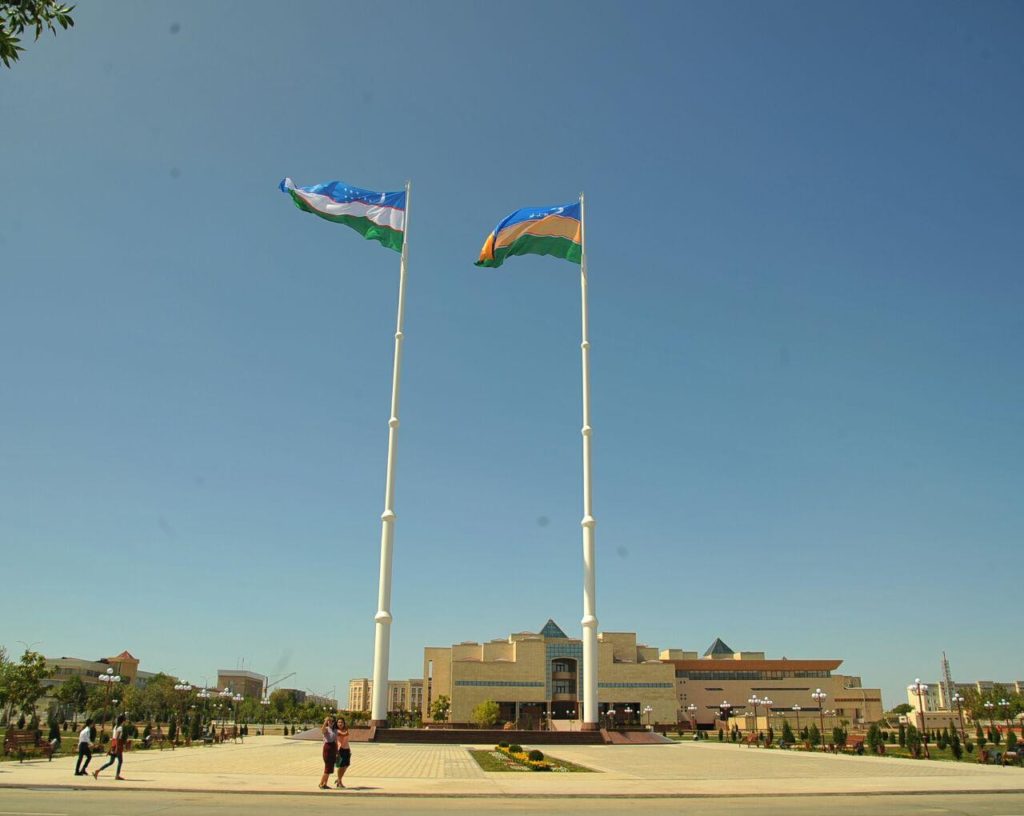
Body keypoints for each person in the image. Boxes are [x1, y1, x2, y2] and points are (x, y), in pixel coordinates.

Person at [93, 714, 126, 780]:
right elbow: (116, 738)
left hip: (114, 744)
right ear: (123, 721)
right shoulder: (120, 728)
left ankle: (98, 771)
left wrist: (111, 747)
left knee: (111, 762)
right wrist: (116, 748)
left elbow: (113, 738)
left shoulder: (115, 727)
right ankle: (117, 775)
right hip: (117, 745)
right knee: (120, 761)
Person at [319, 716, 338, 790]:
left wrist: (337, 751)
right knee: (327, 767)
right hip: (327, 748)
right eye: (329, 721)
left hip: (333, 748)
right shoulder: (326, 729)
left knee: (330, 768)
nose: (330, 722)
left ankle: (325, 784)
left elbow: (336, 740)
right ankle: (321, 783)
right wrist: (325, 721)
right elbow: (322, 730)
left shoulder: (335, 730)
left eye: (332, 721)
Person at [335, 717, 351, 788]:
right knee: (341, 766)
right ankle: (339, 781)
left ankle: (339, 779)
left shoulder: (345, 730)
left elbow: (346, 740)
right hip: (340, 749)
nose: (340, 723)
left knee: (346, 765)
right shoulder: (336, 731)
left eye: (341, 722)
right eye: (339, 722)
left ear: (344, 723)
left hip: (347, 749)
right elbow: (344, 735)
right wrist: (347, 730)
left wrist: (349, 750)